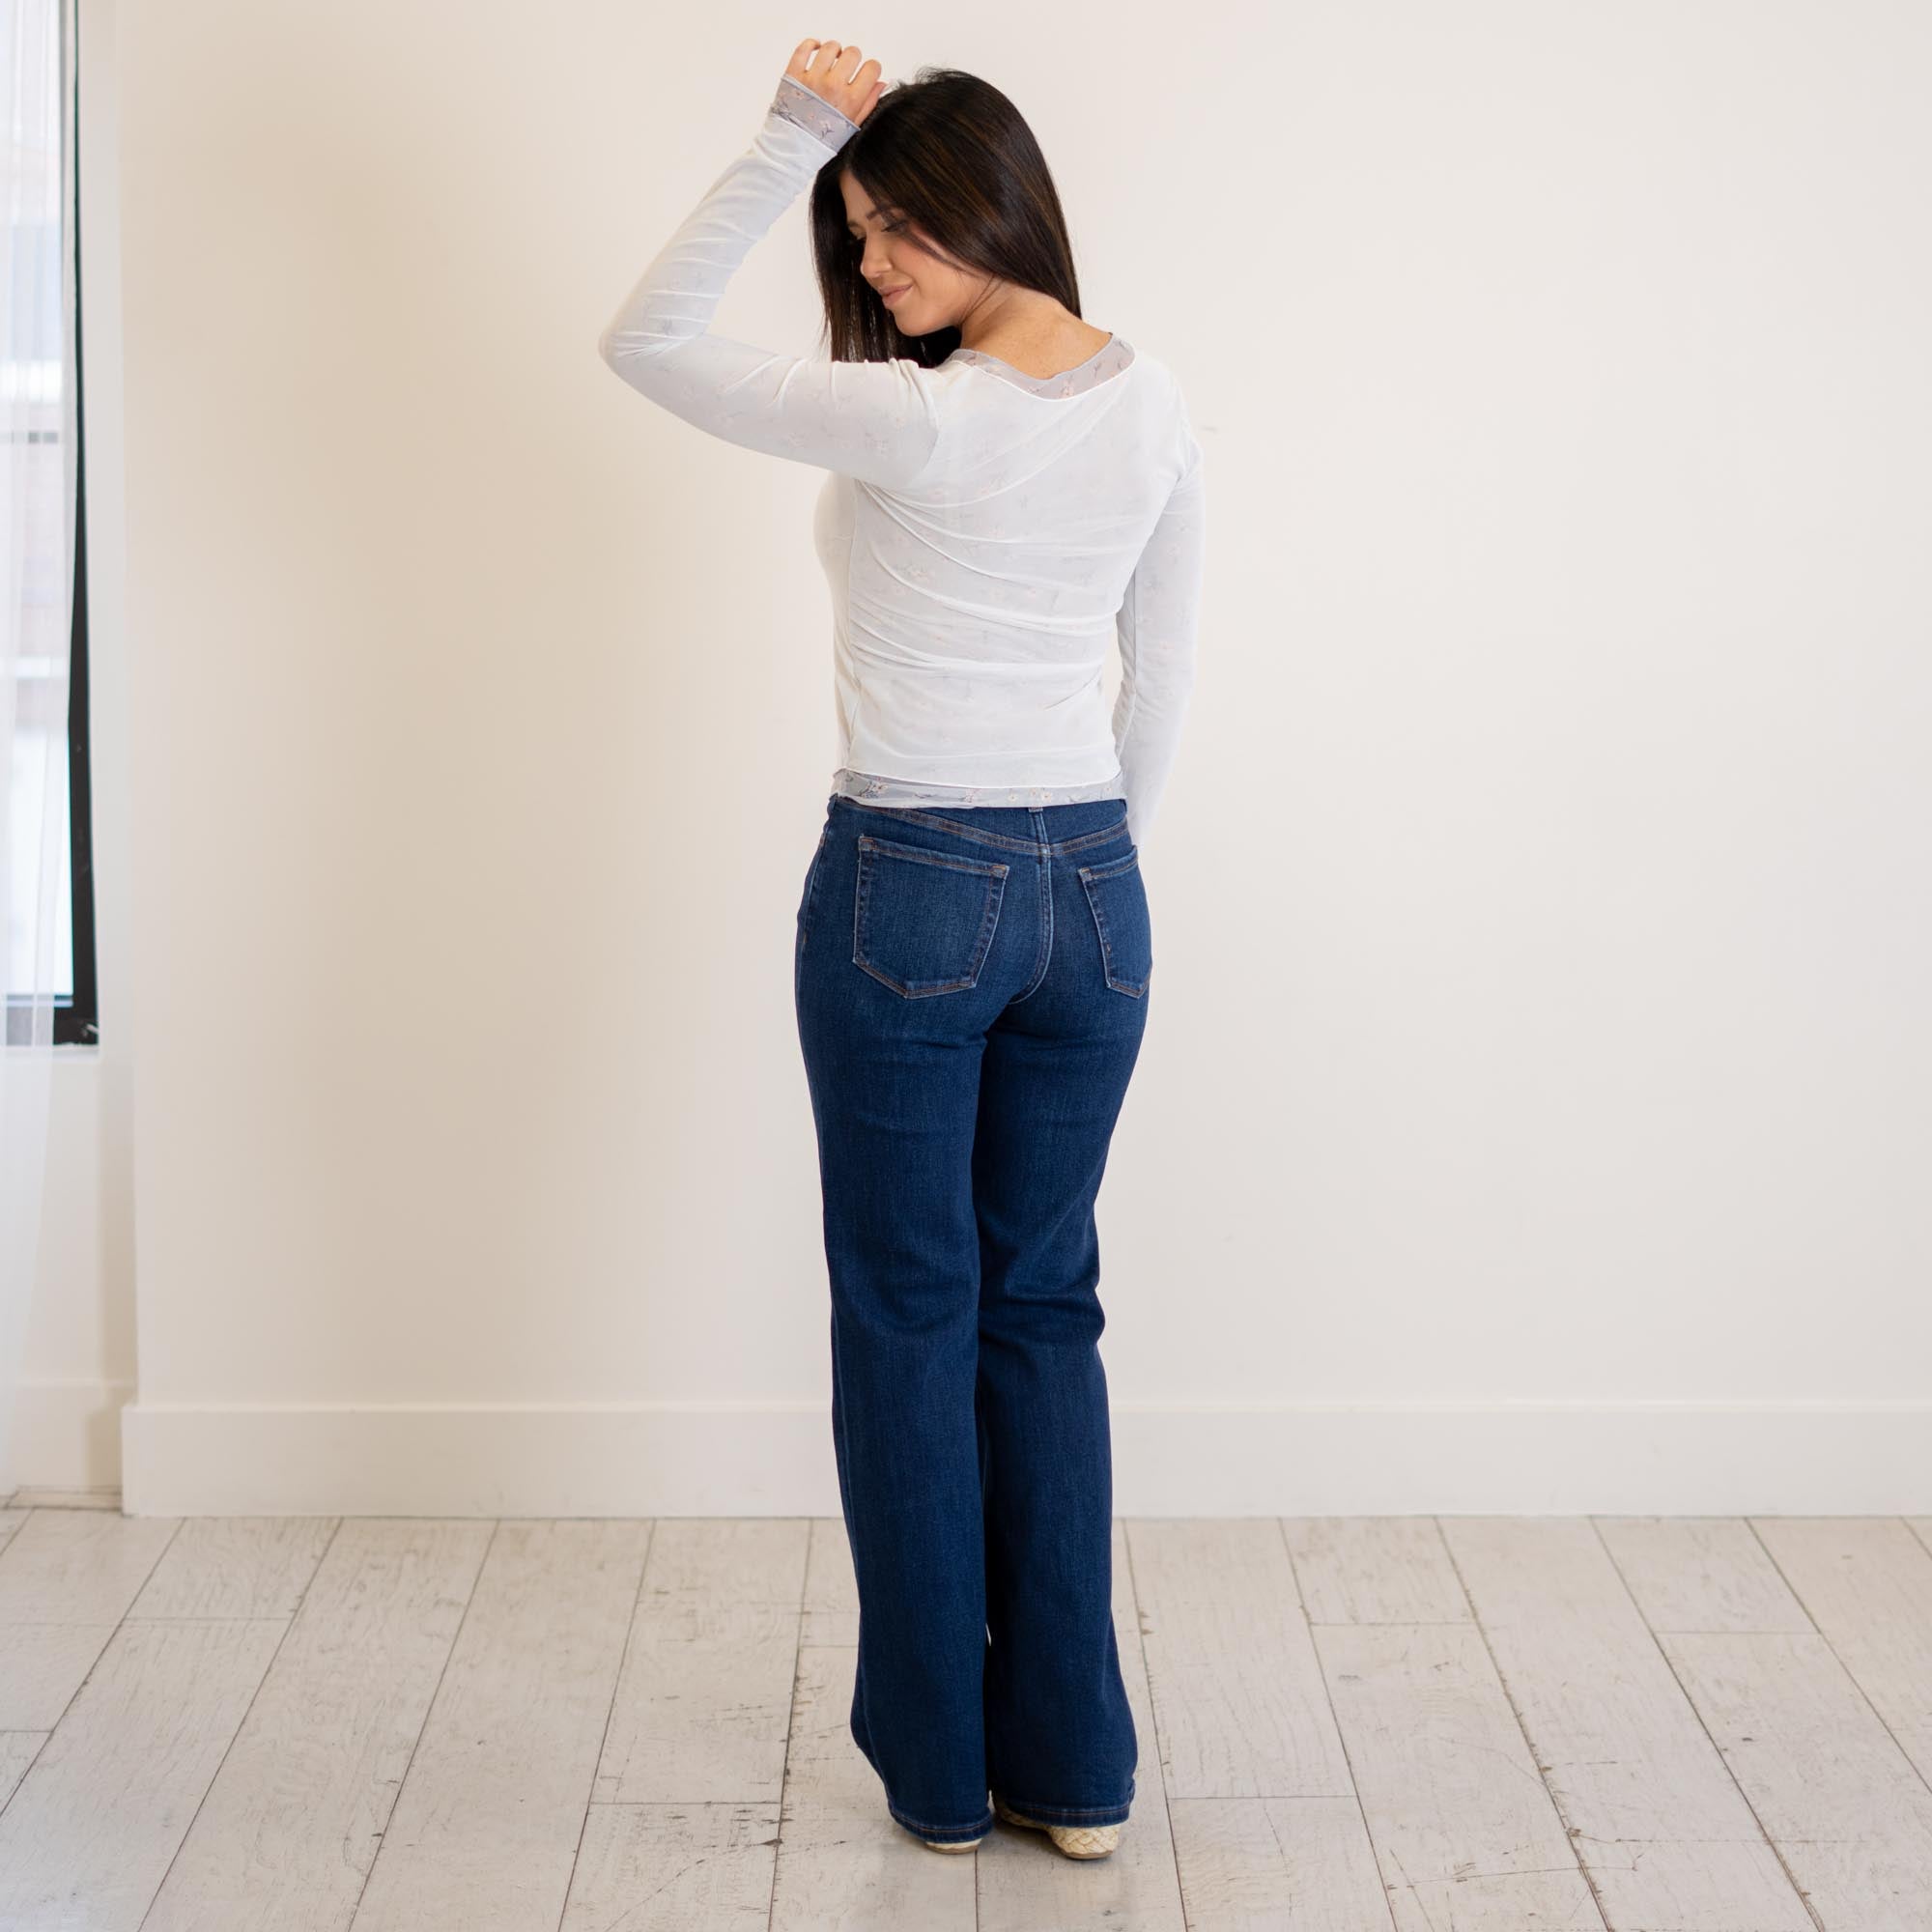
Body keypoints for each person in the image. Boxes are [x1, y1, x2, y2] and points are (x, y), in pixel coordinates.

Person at [597, 38, 1205, 1861]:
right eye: (851, 229)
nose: (868, 263)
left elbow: (645, 340)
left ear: (992, 207)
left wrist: (792, 131)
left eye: (893, 228)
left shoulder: (928, 421)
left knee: (909, 1316)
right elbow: (1160, 681)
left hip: (912, 878)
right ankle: (1076, 1776)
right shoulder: (1152, 399)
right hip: (1095, 893)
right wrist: (1080, 869)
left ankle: (944, 1776)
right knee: (1043, 1310)